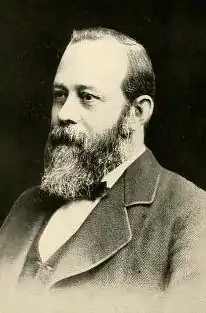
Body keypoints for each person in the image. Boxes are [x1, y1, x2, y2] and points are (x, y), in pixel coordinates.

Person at [0, 27, 206, 297]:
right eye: (60, 95)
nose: (64, 113)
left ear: (137, 113)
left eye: (87, 97)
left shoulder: (192, 214)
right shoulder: (26, 206)